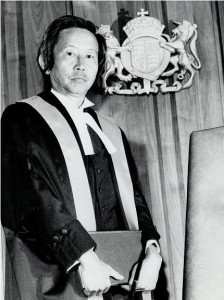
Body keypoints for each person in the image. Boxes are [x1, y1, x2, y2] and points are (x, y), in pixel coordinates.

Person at [1, 15, 162, 299]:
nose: (81, 64)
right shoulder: (22, 118)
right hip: (57, 276)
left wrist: (152, 251)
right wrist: (85, 258)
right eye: (70, 53)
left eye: (90, 55)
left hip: (123, 278)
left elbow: (137, 204)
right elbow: (32, 198)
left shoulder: (111, 131)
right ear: (45, 61)